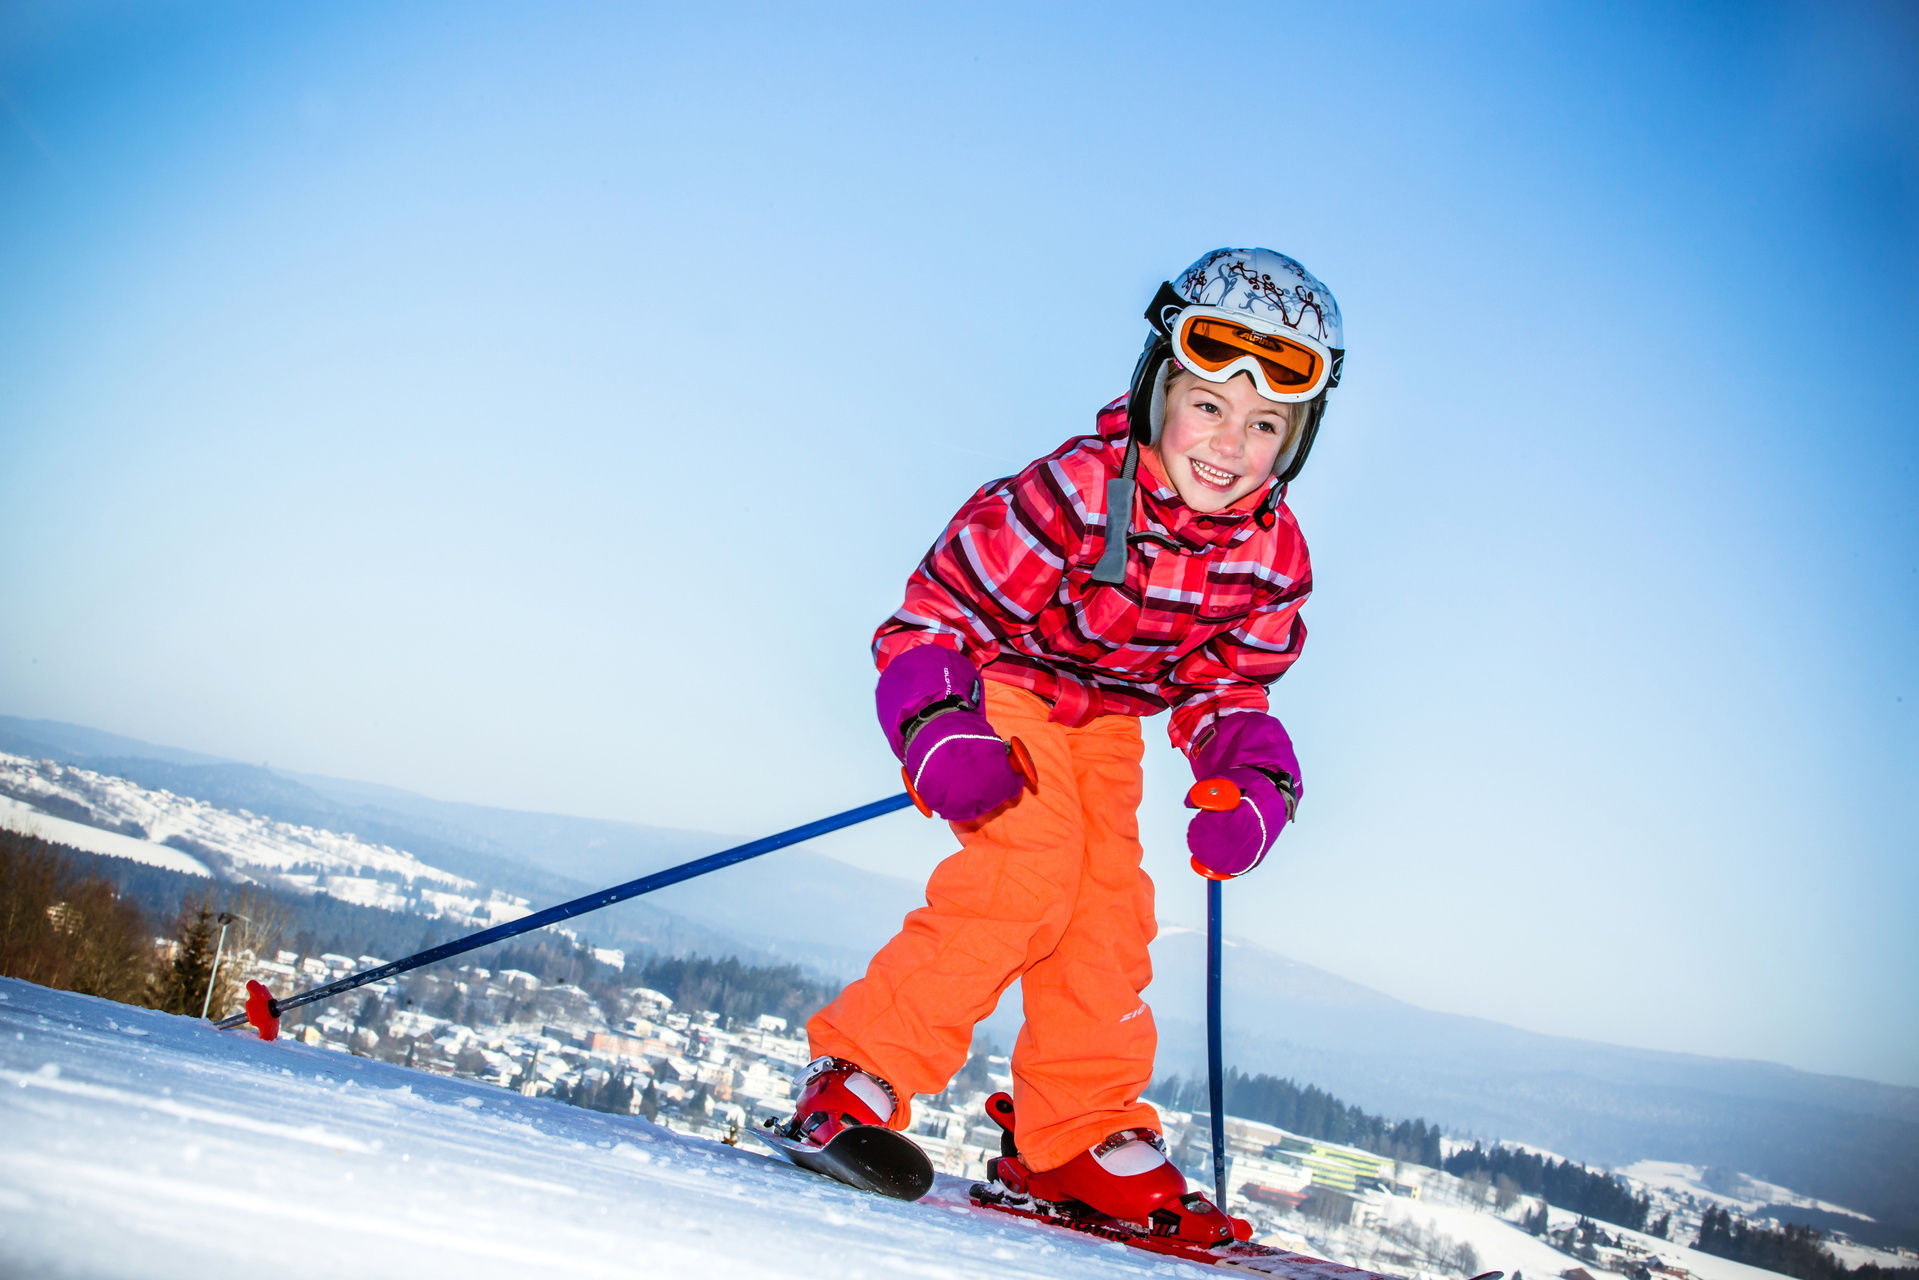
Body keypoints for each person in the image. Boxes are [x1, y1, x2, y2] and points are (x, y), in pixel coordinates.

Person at [784, 248, 1343, 1238]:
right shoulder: (1078, 490)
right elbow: (932, 617)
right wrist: (940, 723)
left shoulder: (1272, 556)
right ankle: (858, 1072)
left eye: (1265, 423)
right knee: (1028, 875)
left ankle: (1073, 1136)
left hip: (1108, 722)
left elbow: (1226, 684)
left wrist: (1248, 773)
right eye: (1207, 404)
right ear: (1155, 388)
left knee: (1108, 910)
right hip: (1005, 682)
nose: (1230, 442)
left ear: (1294, 439)